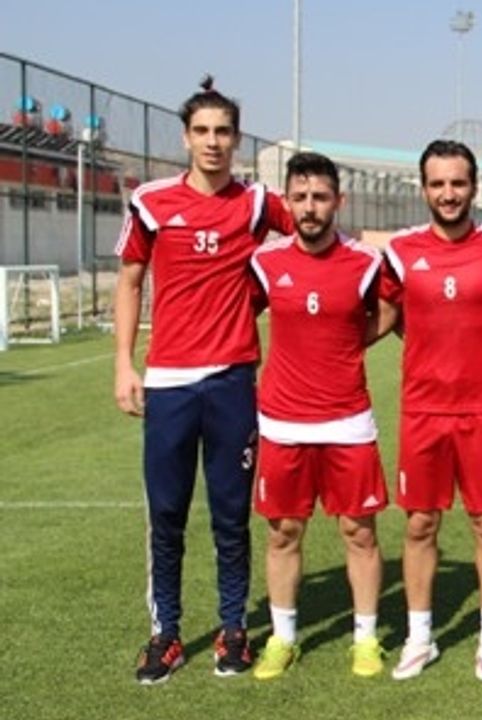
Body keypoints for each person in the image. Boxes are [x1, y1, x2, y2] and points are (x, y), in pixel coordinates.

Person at [113, 76, 292, 685]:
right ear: (186, 138)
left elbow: (312, 235)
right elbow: (130, 282)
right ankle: (165, 633)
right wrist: (123, 364)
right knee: (166, 513)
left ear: (237, 140)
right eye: (202, 131)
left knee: (230, 514)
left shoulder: (258, 203)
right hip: (168, 382)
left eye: (223, 132)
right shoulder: (152, 202)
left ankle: (233, 627)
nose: (213, 142)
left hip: (233, 380)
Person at [377, 140, 482, 683]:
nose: (448, 194)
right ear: (424, 188)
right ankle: (419, 638)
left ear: (473, 187)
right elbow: (381, 318)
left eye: (457, 183)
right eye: (438, 184)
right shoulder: (402, 252)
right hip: (422, 411)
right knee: (420, 524)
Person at [246, 152, 389, 680]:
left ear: (338, 201)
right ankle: (283, 640)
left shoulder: (365, 262)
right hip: (282, 421)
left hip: (348, 419)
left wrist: (349, 345)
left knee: (359, 532)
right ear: (287, 202)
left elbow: (389, 311)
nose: (310, 207)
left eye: (321, 197)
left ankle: (366, 639)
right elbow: (240, 313)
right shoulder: (265, 262)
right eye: (301, 197)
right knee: (284, 532)